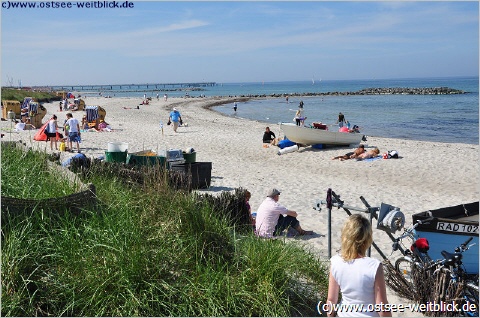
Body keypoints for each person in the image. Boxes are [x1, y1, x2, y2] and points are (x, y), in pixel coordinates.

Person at [326, 214, 391, 317]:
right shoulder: (374, 266)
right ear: (368, 238)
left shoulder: (335, 262)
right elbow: (382, 308)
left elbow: (331, 301)